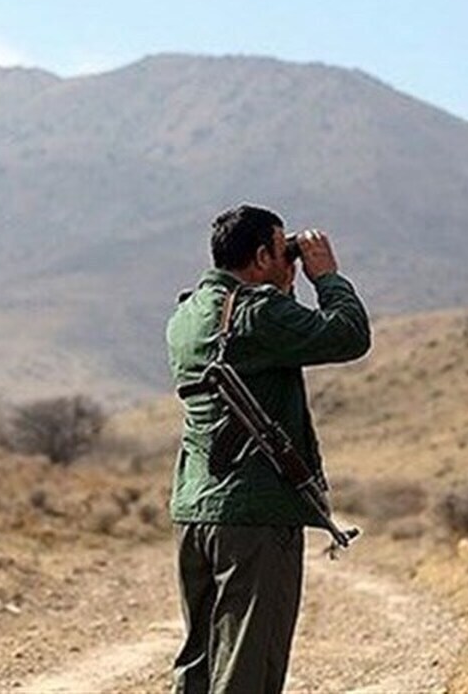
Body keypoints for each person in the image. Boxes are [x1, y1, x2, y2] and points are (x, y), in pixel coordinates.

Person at [166, 204, 371, 694]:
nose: (291, 260)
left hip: (195, 510)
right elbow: (349, 336)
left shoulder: (186, 314)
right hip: (255, 516)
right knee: (248, 669)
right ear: (260, 256)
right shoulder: (259, 313)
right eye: (284, 251)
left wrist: (282, 284)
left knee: (200, 661)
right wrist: (327, 278)